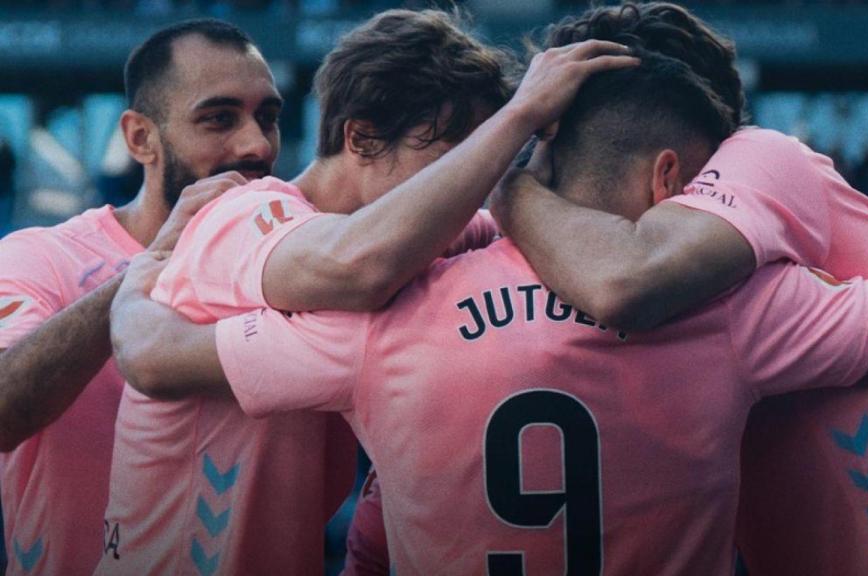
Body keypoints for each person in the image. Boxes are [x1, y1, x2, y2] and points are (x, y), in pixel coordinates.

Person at [110, 51, 868, 575]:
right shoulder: (737, 305)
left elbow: (163, 362)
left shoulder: (387, 311)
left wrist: (136, 301)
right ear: (672, 177)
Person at [97, 9, 637, 575]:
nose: (471, 183)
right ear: (361, 137)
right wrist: (523, 113)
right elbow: (357, 267)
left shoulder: (431, 236)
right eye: (458, 157)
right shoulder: (238, 213)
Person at [490, 3, 868, 574]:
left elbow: (623, 280)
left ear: (667, 177)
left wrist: (507, 188)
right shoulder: (750, 274)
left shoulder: (759, 155)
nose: (566, 242)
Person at [0, 19, 278, 576]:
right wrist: (152, 266)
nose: (255, 145)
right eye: (219, 119)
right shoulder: (40, 257)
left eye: (268, 118)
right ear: (139, 139)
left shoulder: (300, 262)